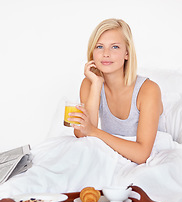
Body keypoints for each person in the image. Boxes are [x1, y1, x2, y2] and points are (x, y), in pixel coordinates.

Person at [68, 18, 164, 164]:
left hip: (149, 156)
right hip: (113, 151)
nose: (106, 53)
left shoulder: (149, 90)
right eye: (99, 47)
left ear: (127, 53)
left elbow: (142, 155)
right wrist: (96, 84)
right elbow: (83, 134)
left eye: (115, 47)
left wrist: (93, 131)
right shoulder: (90, 83)